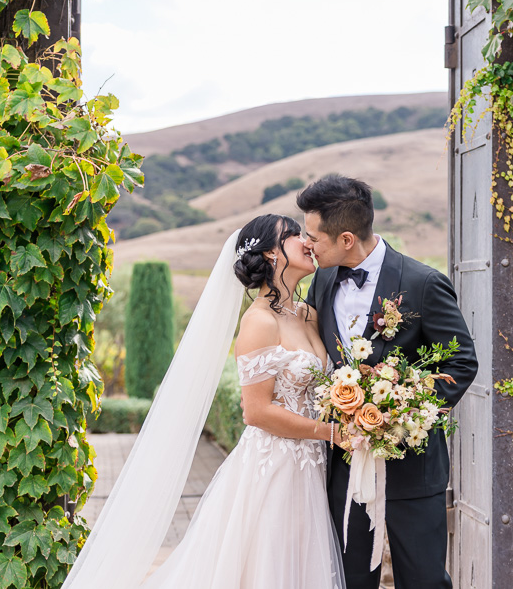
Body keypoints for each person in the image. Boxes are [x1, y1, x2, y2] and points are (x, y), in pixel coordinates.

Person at [61, 214, 345, 589]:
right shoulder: (259, 322)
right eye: (294, 235)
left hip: (310, 465)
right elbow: (256, 411)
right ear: (271, 254)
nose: (307, 242)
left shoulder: (307, 313)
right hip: (274, 467)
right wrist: (331, 432)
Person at [294, 175, 478, 589]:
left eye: (313, 238)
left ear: (345, 238)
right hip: (345, 468)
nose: (307, 245)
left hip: (412, 469)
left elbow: (462, 362)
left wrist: (402, 409)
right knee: (350, 580)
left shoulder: (422, 283)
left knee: (424, 581)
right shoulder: (322, 280)